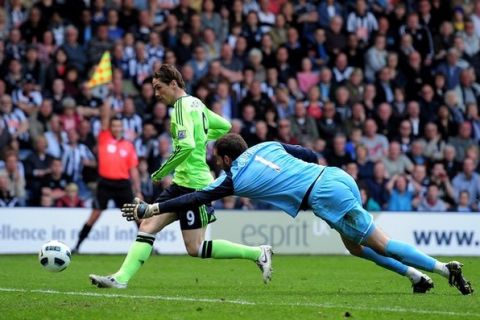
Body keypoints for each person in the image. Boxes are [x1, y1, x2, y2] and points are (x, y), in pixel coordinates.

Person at [123, 133, 474, 295]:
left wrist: (153, 207)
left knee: (381, 244)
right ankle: (416, 278)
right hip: (335, 176)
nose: (218, 165)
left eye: (218, 160)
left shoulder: (232, 178)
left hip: (323, 194)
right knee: (355, 247)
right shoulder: (268, 145)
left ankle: (444, 269)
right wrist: (307, 177)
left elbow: (193, 197)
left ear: (226, 159)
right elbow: (306, 152)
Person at [89, 64, 272, 289]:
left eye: (159, 87)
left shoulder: (180, 107)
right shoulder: (196, 103)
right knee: (147, 225)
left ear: (173, 84)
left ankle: (257, 252)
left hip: (196, 186)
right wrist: (202, 135)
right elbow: (224, 126)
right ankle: (120, 278)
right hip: (182, 183)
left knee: (195, 248)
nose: (156, 93)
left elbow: (185, 146)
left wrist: (161, 172)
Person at [73, 97, 141, 252]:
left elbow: (133, 169)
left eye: (119, 126)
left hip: (123, 184)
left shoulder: (128, 146)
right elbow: (104, 116)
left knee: (137, 216)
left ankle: (149, 247)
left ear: (122, 128)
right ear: (110, 128)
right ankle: (77, 245)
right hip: (105, 183)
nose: (116, 128)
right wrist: (107, 99)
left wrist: (138, 189)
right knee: (95, 215)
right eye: (114, 126)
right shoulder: (104, 138)